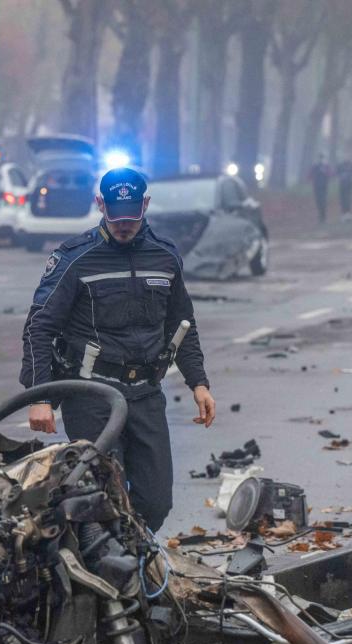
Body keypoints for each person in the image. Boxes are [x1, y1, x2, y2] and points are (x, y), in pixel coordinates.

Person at [19, 167, 215, 531]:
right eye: (116, 216)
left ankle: (135, 563)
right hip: (93, 396)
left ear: (146, 205)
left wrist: (198, 383)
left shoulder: (165, 256)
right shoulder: (74, 258)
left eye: (132, 216)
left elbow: (182, 324)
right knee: (100, 501)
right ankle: (110, 576)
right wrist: (39, 396)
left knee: (156, 502)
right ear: (99, 205)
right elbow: (39, 326)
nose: (124, 226)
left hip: (145, 393)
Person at [308, 153, 334, 224]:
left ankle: (323, 217)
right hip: (316, 186)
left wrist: (325, 173)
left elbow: (331, 174)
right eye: (319, 158)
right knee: (318, 202)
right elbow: (309, 175)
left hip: (324, 186)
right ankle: (320, 216)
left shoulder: (326, 167)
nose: (320, 160)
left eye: (322, 158)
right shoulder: (315, 167)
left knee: (323, 201)